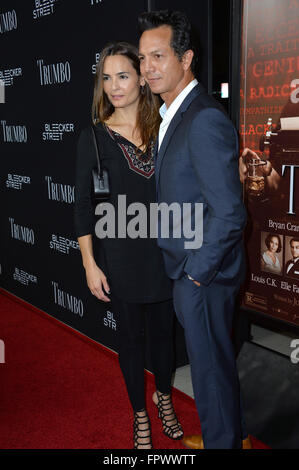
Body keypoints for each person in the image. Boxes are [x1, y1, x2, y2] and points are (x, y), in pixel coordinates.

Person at [138, 10, 250, 449]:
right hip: (193, 267)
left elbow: (230, 213)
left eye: (158, 56)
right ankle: (229, 436)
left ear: (186, 59)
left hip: (203, 273)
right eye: (144, 56)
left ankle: (224, 441)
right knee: (213, 366)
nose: (148, 67)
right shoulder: (170, 113)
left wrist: (195, 272)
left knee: (209, 369)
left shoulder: (203, 118)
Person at [73, 42, 183, 449]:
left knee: (164, 338)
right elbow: (83, 205)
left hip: (165, 254)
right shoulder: (94, 138)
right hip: (119, 259)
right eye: (106, 78)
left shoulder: (167, 127)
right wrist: (89, 263)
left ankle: (165, 398)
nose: (114, 86)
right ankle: (141, 413)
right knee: (132, 342)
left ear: (141, 77)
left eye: (122, 76)